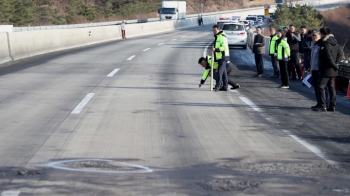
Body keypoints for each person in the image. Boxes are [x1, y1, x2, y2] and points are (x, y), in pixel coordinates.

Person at [313, 27, 340, 112]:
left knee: (320, 86)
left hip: (326, 69)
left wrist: (334, 65)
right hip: (333, 69)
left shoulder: (325, 43)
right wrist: (336, 63)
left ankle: (323, 105)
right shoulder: (335, 42)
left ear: (322, 34)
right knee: (331, 88)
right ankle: (332, 106)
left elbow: (328, 57)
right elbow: (340, 53)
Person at [212, 25, 229, 91]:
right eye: (213, 30)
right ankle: (225, 87)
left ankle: (218, 87)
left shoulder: (222, 37)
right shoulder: (217, 37)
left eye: (215, 30)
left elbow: (224, 47)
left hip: (223, 57)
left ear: (219, 30)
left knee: (220, 72)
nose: (214, 32)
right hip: (219, 58)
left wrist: (215, 49)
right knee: (224, 73)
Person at [310, 30, 322, 109]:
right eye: (313, 36)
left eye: (316, 36)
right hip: (313, 68)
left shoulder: (321, 45)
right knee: (315, 87)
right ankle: (318, 102)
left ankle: (322, 103)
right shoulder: (313, 45)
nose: (314, 38)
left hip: (319, 69)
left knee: (320, 87)